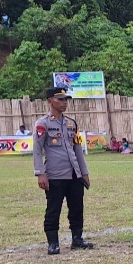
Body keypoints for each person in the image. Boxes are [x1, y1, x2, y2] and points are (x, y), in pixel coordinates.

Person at [33, 87, 93, 254]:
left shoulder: (71, 123)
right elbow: (37, 150)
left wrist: (84, 173)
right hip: (55, 174)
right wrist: (40, 173)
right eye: (60, 99)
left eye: (66, 99)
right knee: (54, 209)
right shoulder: (43, 124)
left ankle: (77, 239)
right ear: (49, 101)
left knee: (77, 207)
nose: (64, 102)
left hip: (74, 174)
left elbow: (78, 149)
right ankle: (53, 243)